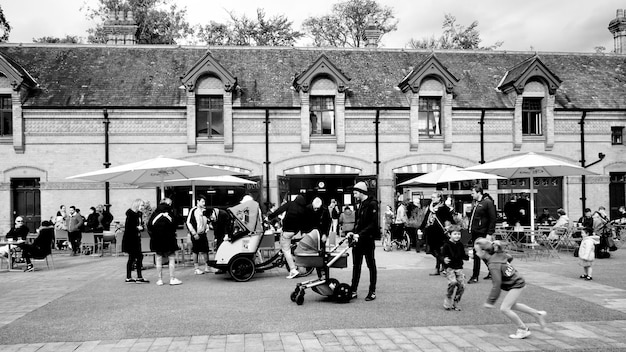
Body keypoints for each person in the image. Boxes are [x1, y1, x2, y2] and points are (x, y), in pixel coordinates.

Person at [474, 238, 547, 339]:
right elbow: (510, 257)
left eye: (476, 251)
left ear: (483, 251)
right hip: (517, 281)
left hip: (516, 284)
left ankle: (523, 329)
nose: (475, 253)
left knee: (505, 309)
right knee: (512, 305)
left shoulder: (493, 264)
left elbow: (497, 284)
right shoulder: (497, 255)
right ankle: (536, 314)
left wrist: (490, 302)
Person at [348, 181, 378, 301]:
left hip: (367, 239)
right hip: (358, 239)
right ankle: (353, 289)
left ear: (361, 192)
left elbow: (373, 224)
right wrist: (353, 232)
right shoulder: (360, 204)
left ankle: (372, 291)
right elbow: (358, 222)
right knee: (356, 265)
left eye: (355, 193)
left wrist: (359, 234)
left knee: (371, 265)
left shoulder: (372, 204)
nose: (354, 195)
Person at [267, 193, 309, 279]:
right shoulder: (303, 209)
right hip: (295, 232)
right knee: (287, 248)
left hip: (286, 231)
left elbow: (279, 210)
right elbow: (304, 222)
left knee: (286, 250)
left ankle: (293, 270)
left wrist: (270, 217)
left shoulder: (290, 204)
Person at [148, 198, 182, 286]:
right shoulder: (170, 213)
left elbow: (149, 226)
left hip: (157, 239)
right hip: (169, 239)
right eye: (170, 203)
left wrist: (153, 236)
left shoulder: (155, 213)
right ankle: (172, 278)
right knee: (171, 258)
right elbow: (175, 225)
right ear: (168, 203)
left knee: (158, 258)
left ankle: (159, 279)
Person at [419, 191, 454, 276]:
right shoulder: (431, 207)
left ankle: (439, 267)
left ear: (439, 198)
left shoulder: (443, 208)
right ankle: (443, 264)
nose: (432, 199)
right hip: (431, 231)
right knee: (432, 250)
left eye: (434, 197)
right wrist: (420, 228)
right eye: (432, 197)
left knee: (439, 250)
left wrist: (449, 227)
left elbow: (450, 219)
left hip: (440, 232)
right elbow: (426, 218)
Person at [468, 184, 497, 284]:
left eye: (473, 193)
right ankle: (492, 271)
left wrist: (489, 233)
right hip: (476, 231)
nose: (471, 195)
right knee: (482, 253)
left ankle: (475, 276)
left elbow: (493, 218)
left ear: (478, 192)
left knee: (477, 253)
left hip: (482, 231)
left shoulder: (487, 203)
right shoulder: (476, 203)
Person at [441, 224, 469, 311]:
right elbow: (440, 255)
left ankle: (456, 301)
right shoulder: (446, 245)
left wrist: (468, 256)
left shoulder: (460, 245)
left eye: (459, 234)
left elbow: (463, 256)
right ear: (450, 234)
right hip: (450, 268)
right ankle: (448, 297)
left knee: (462, 285)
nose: (457, 236)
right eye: (455, 234)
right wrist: (443, 259)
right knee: (453, 282)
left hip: (459, 267)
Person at [122, 199, 149, 283]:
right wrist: (137, 228)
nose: (143, 207)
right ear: (137, 205)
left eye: (143, 205)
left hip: (136, 238)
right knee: (135, 257)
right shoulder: (131, 215)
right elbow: (128, 228)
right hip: (130, 239)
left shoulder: (139, 214)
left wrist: (141, 228)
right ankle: (136, 277)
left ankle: (131, 277)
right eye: (142, 205)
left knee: (135, 257)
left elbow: (141, 226)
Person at [186, 195, 211, 275]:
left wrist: (207, 228)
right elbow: (188, 222)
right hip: (196, 234)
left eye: (204, 201)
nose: (204, 203)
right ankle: (196, 268)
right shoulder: (193, 210)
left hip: (203, 233)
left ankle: (207, 267)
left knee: (205, 250)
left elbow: (207, 221)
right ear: (198, 201)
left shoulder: (205, 210)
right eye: (202, 201)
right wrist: (194, 233)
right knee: (195, 250)